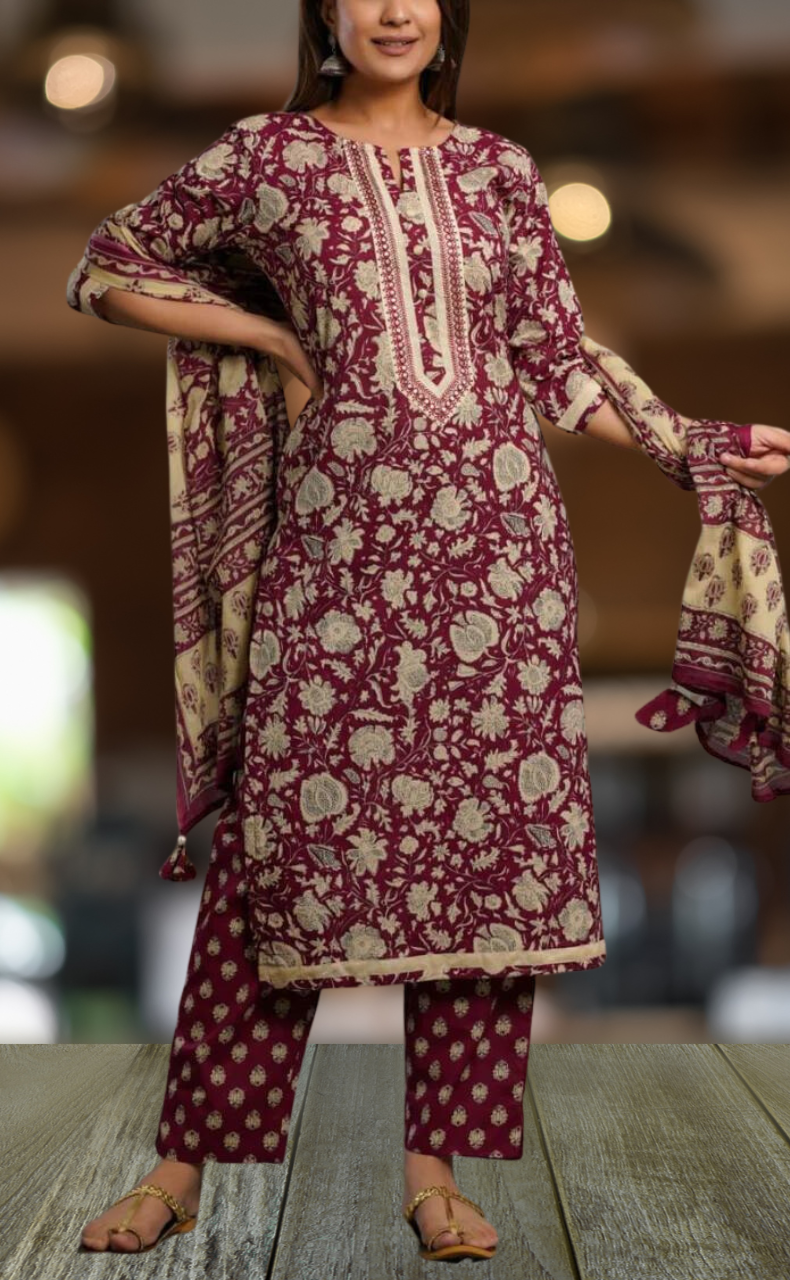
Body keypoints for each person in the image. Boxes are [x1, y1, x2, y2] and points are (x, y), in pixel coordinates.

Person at [72, 0, 789, 1263]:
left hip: (499, 560)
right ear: (325, 16)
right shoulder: (266, 159)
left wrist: (694, 445)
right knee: (277, 848)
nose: (394, 8)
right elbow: (109, 265)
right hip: (336, 560)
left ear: (446, 16)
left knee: (486, 860)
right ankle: (182, 1167)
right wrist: (265, 331)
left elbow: (558, 365)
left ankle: (434, 1172)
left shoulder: (501, 171)